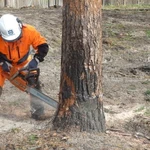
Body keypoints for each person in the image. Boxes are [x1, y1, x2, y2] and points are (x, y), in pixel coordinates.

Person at [0, 14, 49, 120]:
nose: (13, 41)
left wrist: (36, 60)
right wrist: (2, 62)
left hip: (23, 62)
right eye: (9, 40)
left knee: (33, 82)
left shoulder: (29, 31)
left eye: (16, 38)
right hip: (3, 62)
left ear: (20, 26)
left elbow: (43, 45)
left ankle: (38, 112)